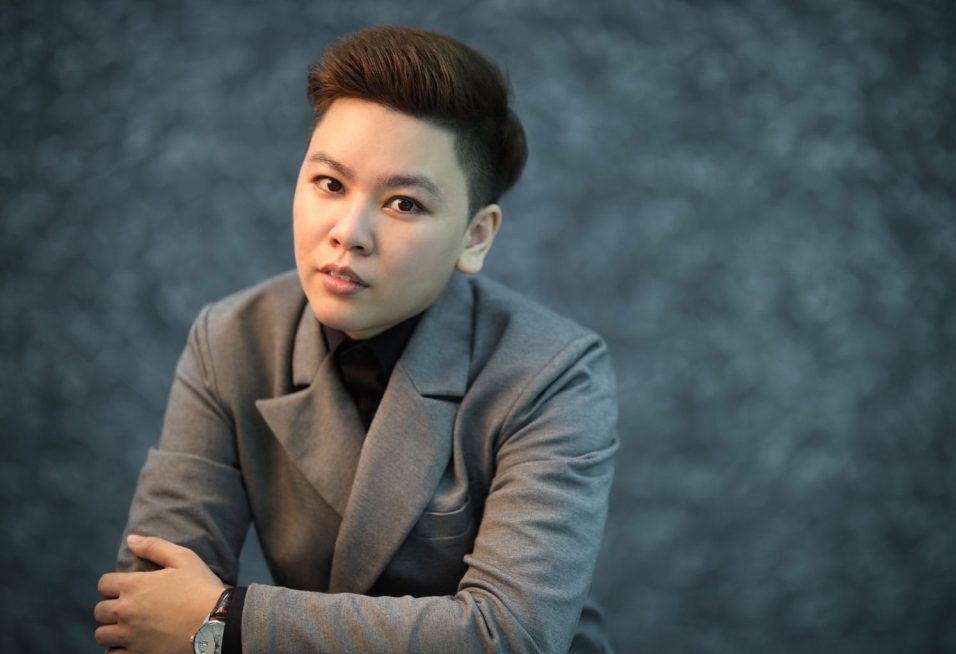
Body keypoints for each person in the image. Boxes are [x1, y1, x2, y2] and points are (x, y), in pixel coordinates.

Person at [94, 24, 618, 654]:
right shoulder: (231, 340)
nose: (349, 232)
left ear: (475, 237)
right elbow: (145, 611)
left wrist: (226, 625)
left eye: (403, 204)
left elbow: (509, 637)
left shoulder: (552, 372)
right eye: (330, 184)